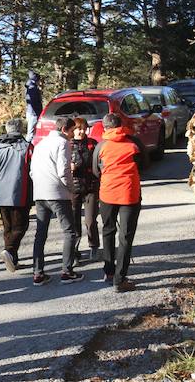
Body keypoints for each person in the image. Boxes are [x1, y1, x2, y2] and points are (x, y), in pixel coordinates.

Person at [92, 112, 148, 292]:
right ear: (120, 125)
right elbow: (145, 165)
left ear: (105, 127)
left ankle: (108, 271)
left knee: (108, 231)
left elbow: (95, 170)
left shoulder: (101, 146)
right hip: (129, 194)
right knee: (125, 236)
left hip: (107, 194)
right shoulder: (134, 143)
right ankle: (119, 278)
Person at [29, 117, 84, 286]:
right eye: (71, 131)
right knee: (69, 231)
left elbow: (32, 170)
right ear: (64, 130)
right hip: (57, 193)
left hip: (40, 193)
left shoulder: (40, 144)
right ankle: (67, 271)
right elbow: (64, 171)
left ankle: (38, 273)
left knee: (41, 233)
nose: (72, 135)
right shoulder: (62, 144)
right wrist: (72, 189)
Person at [0, 118, 34, 273]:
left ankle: (12, 259)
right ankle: (10, 251)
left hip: (1, 192)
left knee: (8, 227)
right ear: (21, 130)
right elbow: (33, 171)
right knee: (20, 226)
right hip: (21, 193)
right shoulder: (27, 147)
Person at [71, 116, 101, 263]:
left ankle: (94, 246)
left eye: (83, 128)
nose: (81, 131)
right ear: (73, 129)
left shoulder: (92, 144)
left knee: (90, 220)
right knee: (74, 222)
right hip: (73, 189)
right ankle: (74, 252)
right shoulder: (67, 145)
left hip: (90, 187)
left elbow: (99, 164)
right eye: (78, 128)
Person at [24, 70, 43, 142]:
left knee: (31, 132)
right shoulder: (33, 88)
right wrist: (38, 112)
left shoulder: (29, 87)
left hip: (30, 112)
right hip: (33, 114)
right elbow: (33, 102)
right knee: (31, 134)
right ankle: (27, 150)